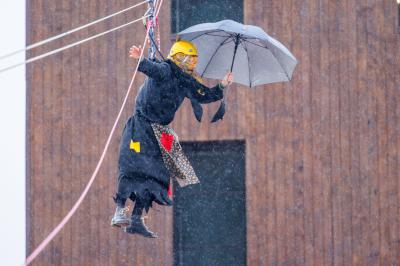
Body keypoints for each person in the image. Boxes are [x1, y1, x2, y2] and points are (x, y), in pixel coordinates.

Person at [110, 40, 234, 238]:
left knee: (154, 175)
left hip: (159, 131)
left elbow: (204, 94)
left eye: (195, 60)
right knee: (133, 167)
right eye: (190, 59)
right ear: (179, 57)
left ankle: (135, 219)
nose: (193, 63)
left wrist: (221, 85)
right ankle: (119, 209)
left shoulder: (186, 81)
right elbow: (153, 70)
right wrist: (140, 60)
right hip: (142, 127)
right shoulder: (166, 70)